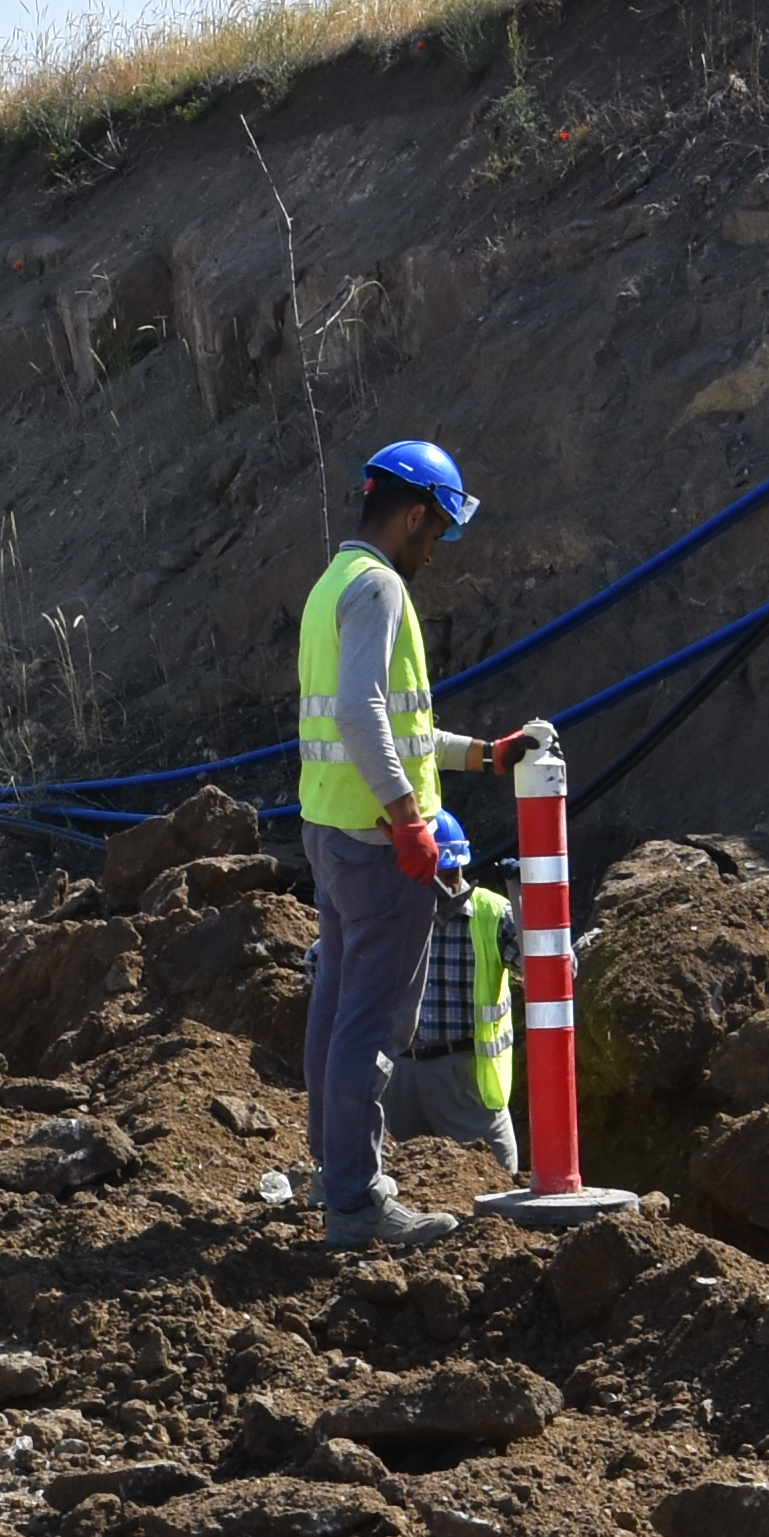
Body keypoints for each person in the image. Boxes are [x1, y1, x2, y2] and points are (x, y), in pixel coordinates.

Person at [293, 441, 548, 1251]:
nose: (436, 549)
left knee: (337, 1007)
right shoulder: (380, 587)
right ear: (412, 516)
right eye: (437, 531)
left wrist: (483, 755)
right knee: (372, 1025)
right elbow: (362, 714)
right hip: (378, 847)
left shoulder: (331, 583)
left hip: (332, 832)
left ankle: (332, 1171)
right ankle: (355, 1202)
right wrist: (409, 820)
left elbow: (398, 728)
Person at [374, 809, 531, 1184]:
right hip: (397, 1075)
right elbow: (319, 964)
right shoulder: (386, 912)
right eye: (437, 876)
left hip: (465, 1078)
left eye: (453, 873)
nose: (448, 885)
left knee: (495, 1184)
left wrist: (529, 905)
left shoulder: (492, 915)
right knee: (393, 1183)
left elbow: (555, 974)